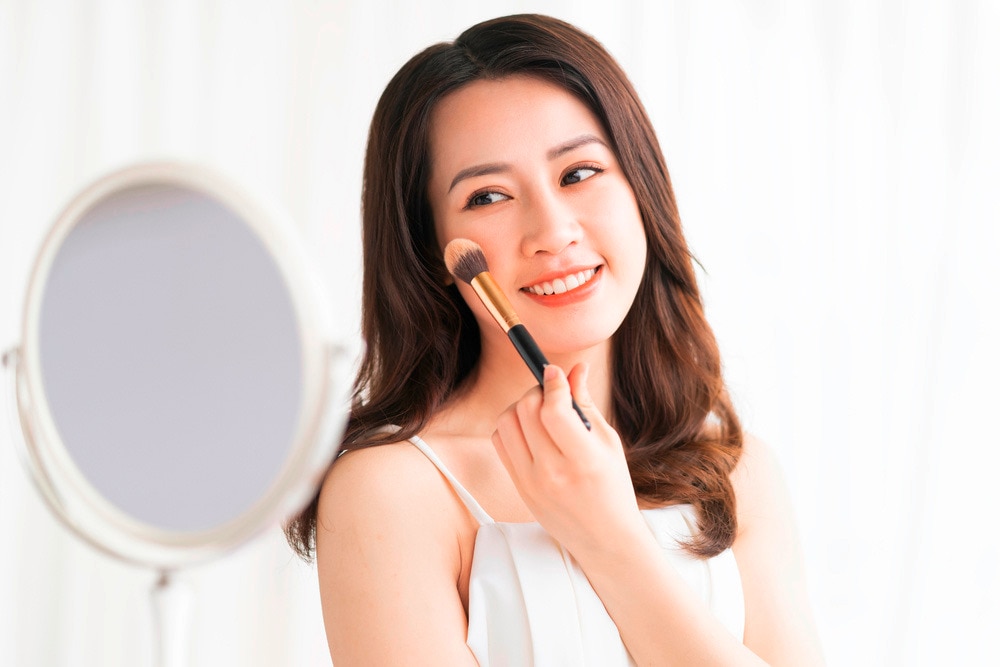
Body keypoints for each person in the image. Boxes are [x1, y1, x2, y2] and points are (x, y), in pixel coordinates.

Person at [286, 13, 824, 666]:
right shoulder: (392, 490)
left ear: (641, 192)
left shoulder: (736, 471)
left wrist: (610, 539)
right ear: (436, 250)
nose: (552, 229)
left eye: (578, 173)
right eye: (488, 196)